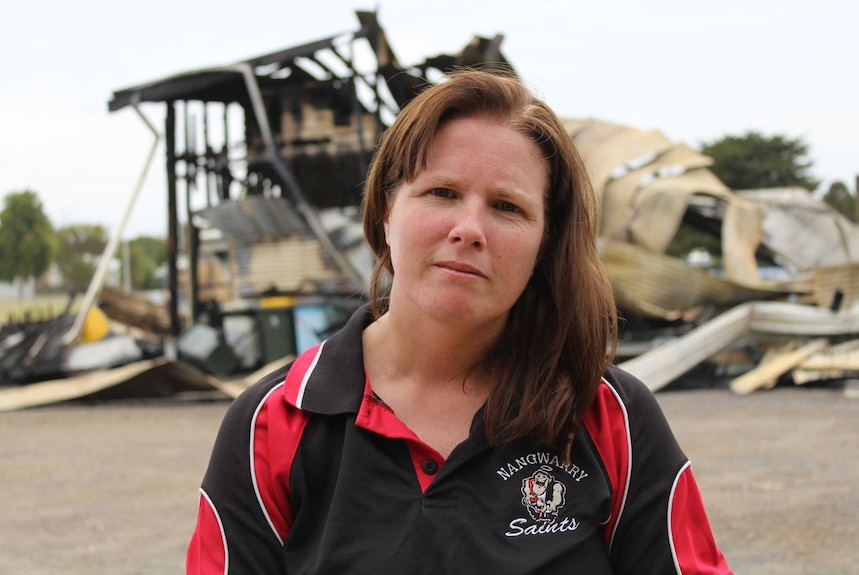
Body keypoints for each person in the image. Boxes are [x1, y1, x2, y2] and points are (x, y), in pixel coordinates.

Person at [186, 69, 733, 574]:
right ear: (385, 209)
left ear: (545, 244)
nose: (470, 229)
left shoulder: (610, 414)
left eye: (507, 207)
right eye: (442, 193)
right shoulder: (272, 425)